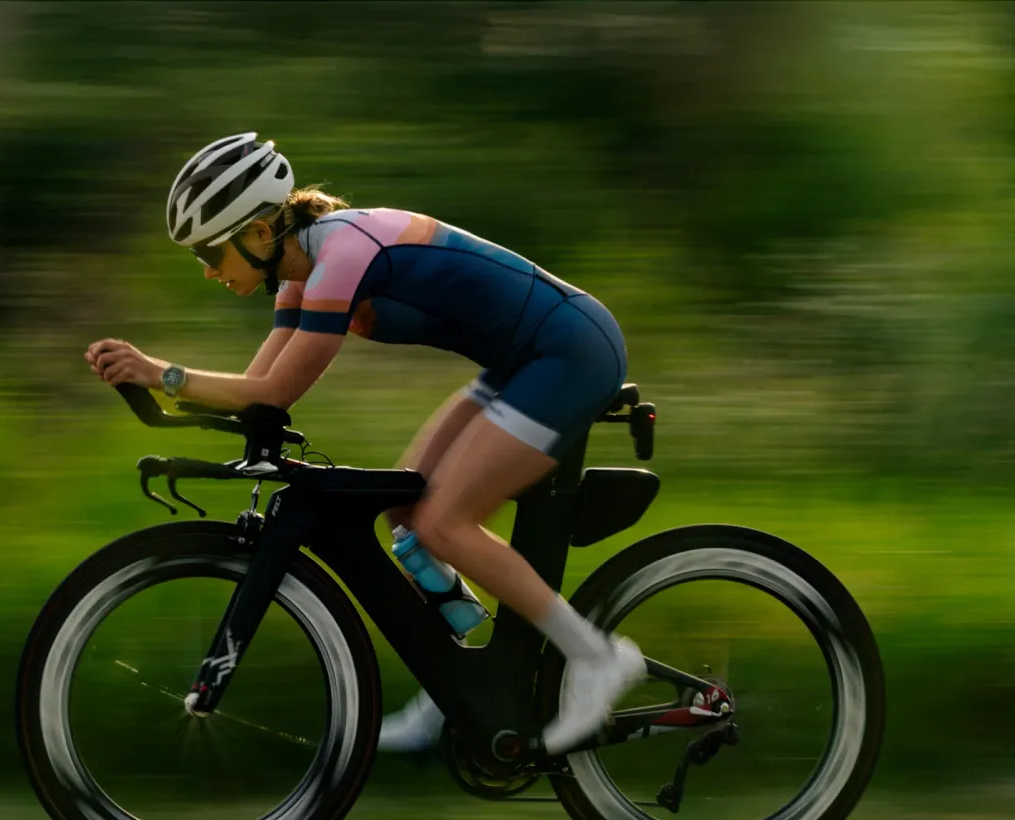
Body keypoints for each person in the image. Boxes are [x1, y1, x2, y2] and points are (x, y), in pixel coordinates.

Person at [86, 132, 642, 754]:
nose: (209, 270)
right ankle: (460, 681)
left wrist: (160, 374)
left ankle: (598, 657)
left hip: (568, 353)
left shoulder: (342, 255)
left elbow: (277, 388)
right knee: (405, 512)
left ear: (261, 234)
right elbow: (259, 395)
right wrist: (159, 391)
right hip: (520, 363)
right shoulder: (298, 276)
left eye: (211, 252)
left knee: (444, 524)